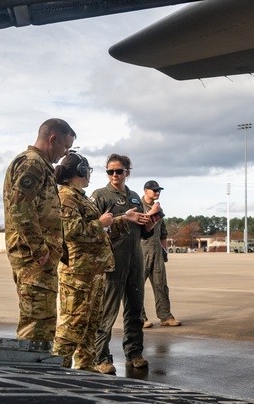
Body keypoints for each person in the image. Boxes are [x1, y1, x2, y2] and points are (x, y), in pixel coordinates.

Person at [53, 152, 144, 370]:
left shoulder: (80, 196)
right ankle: (58, 371)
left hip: (93, 271)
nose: (90, 175)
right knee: (71, 325)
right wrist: (101, 223)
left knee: (89, 324)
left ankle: (86, 368)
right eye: (89, 170)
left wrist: (122, 220)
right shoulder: (66, 196)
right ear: (81, 171)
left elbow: (101, 231)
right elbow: (71, 231)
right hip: (78, 273)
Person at [2, 118, 76, 350]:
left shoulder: (39, 165)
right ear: (52, 139)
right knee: (37, 324)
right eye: (65, 146)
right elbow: (20, 208)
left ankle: (31, 371)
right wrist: (39, 250)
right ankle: (28, 376)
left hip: (37, 259)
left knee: (41, 321)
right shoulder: (32, 164)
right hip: (33, 260)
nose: (65, 154)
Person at [91, 154, 155, 374]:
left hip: (135, 259)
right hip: (112, 260)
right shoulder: (100, 196)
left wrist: (149, 224)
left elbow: (141, 232)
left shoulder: (136, 197)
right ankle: (100, 357)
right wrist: (121, 219)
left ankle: (134, 353)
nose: (115, 175)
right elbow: (93, 228)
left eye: (119, 171)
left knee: (135, 310)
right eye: (110, 171)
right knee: (107, 311)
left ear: (128, 171)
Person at [139, 180, 181, 327]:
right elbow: (139, 226)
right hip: (141, 251)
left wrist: (164, 251)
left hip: (156, 251)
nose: (157, 193)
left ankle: (165, 316)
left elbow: (163, 232)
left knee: (161, 284)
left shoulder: (158, 209)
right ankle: (140, 318)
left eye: (158, 190)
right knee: (137, 286)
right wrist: (152, 212)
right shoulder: (137, 206)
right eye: (154, 190)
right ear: (146, 191)